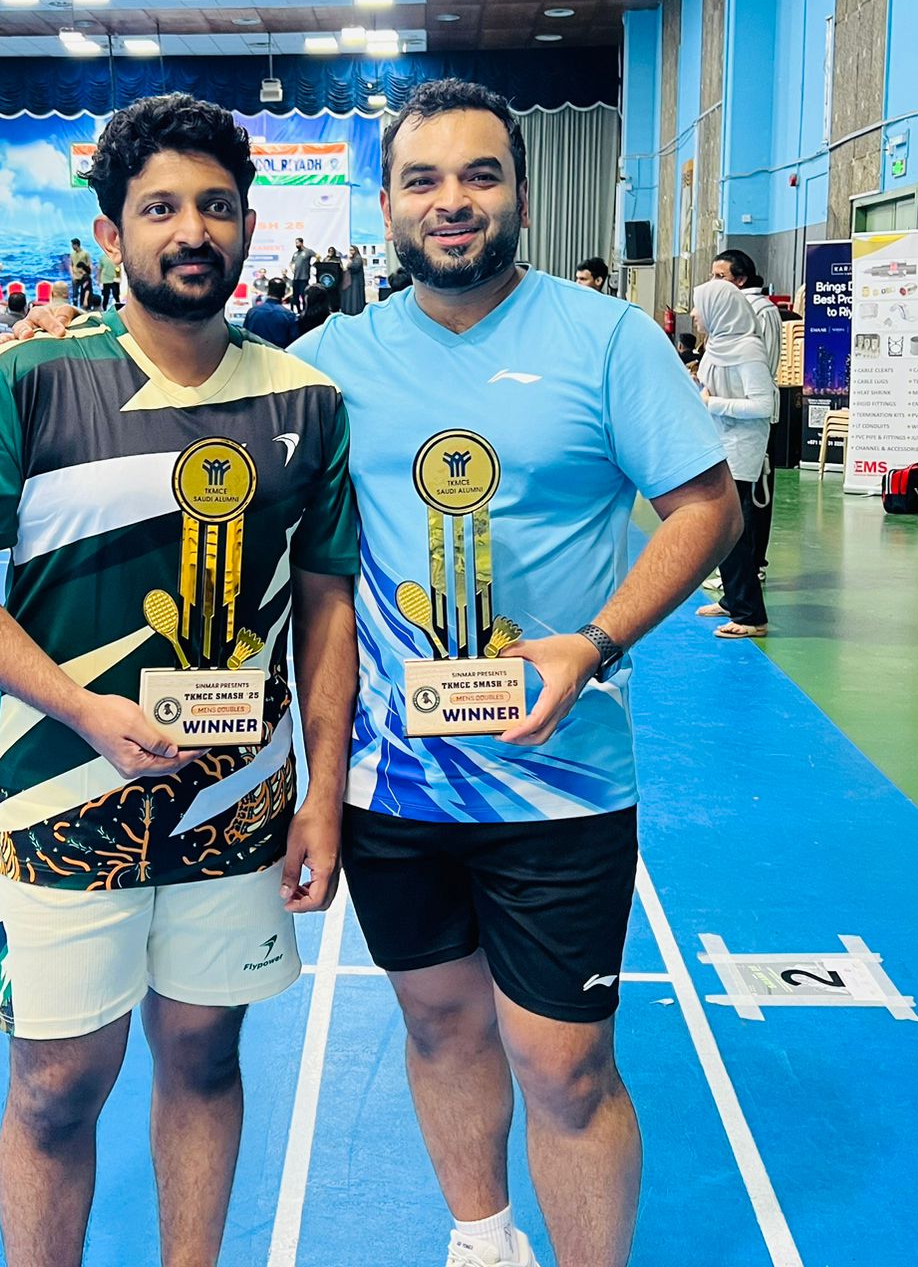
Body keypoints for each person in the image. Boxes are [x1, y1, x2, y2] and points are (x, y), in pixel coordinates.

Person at [0, 92, 359, 1267]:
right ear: (111, 234)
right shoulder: (29, 382)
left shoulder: (306, 401)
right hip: (60, 797)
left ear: (247, 225)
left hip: (237, 805)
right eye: (159, 208)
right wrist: (79, 705)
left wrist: (321, 793)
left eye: (215, 205)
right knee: (56, 1085)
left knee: (204, 1055)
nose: (190, 230)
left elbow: (326, 606)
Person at [291, 79, 739, 1267]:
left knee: (566, 1062)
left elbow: (707, 507)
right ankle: (483, 1239)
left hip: (560, 779)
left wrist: (595, 642)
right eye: (423, 180)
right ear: (387, 206)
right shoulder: (326, 363)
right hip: (393, 786)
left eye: (479, 175)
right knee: (440, 1027)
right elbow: (304, 572)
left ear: (523, 198)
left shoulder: (608, 340)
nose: (452, 201)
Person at [691, 278, 775, 641]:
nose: (695, 314)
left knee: (731, 531)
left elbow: (764, 405)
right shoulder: (717, 345)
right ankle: (733, 599)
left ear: (719, 309)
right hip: (718, 444)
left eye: (700, 306)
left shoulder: (748, 350)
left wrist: (713, 403)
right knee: (722, 528)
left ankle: (751, 615)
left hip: (741, 449)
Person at [710, 249, 781, 581]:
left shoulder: (760, 312)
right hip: (730, 416)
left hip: (750, 417)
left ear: (740, 279)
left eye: (720, 277)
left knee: (752, 495)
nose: (714, 283)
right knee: (735, 497)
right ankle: (737, 573)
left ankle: (753, 566)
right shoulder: (732, 310)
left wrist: (721, 400)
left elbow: (759, 370)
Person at [243, 275, 298, 349]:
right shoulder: (289, 316)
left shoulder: (252, 312)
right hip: (279, 354)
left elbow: (244, 336)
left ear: (268, 291)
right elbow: (294, 343)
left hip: (255, 353)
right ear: (284, 293)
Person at [288, 236, 315, 313]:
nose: (296, 245)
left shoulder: (308, 251)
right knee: (295, 296)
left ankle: (304, 310)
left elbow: (317, 256)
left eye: (297, 243)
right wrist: (291, 267)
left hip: (304, 277)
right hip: (296, 278)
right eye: (295, 243)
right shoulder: (296, 253)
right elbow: (291, 262)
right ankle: (298, 310)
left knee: (303, 295)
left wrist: (313, 264)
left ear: (301, 243)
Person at [315, 246, 343, 312]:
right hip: (325, 284)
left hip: (335, 284)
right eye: (329, 251)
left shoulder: (337, 259)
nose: (330, 252)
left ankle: (335, 307)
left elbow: (341, 267)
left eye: (332, 251)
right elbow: (321, 267)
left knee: (334, 296)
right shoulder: (326, 259)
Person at [340, 245, 366, 315]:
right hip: (352, 280)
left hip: (356, 281)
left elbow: (355, 267)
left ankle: (355, 310)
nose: (351, 252)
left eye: (352, 250)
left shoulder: (358, 258)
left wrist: (348, 264)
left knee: (355, 297)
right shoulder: (353, 258)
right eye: (350, 250)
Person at [70, 237, 93, 309]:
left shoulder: (85, 253)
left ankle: (84, 308)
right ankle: (75, 308)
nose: (72, 247)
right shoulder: (72, 254)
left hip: (83, 276)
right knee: (75, 294)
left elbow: (89, 264)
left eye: (73, 245)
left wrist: (89, 274)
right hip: (75, 277)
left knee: (85, 292)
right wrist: (72, 275)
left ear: (76, 245)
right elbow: (71, 265)